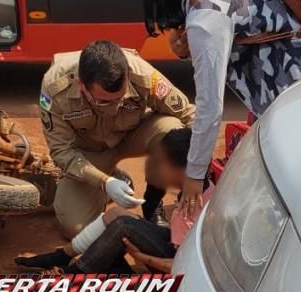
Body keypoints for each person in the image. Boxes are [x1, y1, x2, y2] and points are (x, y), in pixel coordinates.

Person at [144, 0, 301, 222]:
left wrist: (194, 175)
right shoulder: (205, 12)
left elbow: (210, 109)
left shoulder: (204, 19)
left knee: (300, 183)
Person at [40, 39, 196, 237]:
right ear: (81, 86)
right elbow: (62, 151)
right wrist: (105, 181)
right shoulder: (55, 87)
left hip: (132, 135)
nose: (114, 108)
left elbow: (189, 115)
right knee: (75, 228)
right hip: (89, 153)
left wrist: (194, 173)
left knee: (173, 131)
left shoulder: (142, 74)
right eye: (103, 102)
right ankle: (114, 179)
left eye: (120, 99)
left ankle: (153, 204)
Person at [15, 128, 214, 274]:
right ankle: (64, 256)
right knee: (116, 214)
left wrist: (141, 257)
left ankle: (75, 272)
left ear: (182, 170)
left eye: (163, 163)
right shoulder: (202, 188)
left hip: (178, 266)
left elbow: (183, 268)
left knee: (123, 225)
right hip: (179, 249)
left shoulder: (192, 207)